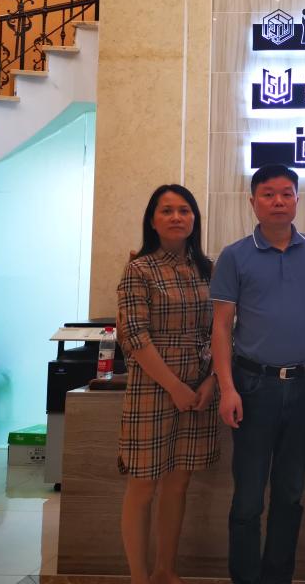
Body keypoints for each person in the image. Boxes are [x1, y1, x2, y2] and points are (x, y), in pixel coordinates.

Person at [210, 164, 305, 584]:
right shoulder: (235, 256)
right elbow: (221, 328)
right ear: (253, 202)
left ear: (298, 199)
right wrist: (227, 388)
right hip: (252, 386)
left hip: (304, 384)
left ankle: (278, 576)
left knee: (290, 493)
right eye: (268, 194)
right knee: (248, 496)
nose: (278, 201)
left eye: (286, 193)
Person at [117, 184, 219, 584]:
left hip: (200, 385)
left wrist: (212, 380)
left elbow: (222, 330)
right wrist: (174, 387)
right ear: (152, 220)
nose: (177, 217)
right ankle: (139, 577)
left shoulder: (208, 269)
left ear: (194, 218)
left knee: (179, 482)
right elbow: (134, 335)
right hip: (153, 386)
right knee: (143, 484)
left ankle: (166, 571)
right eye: (167, 210)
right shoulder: (139, 269)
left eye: (184, 210)